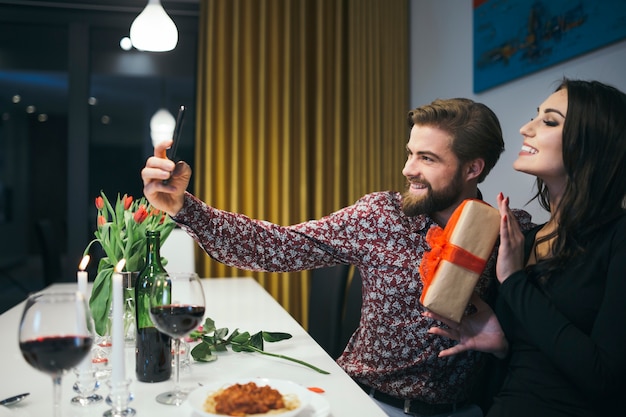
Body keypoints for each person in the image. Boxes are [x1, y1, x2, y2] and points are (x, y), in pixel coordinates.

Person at [141, 98, 533, 417]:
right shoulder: (382, 214)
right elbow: (279, 246)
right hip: (365, 400)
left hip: (462, 410)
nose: (407, 169)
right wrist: (184, 208)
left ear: (473, 168)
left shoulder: (512, 234)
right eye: (410, 153)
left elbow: (533, 342)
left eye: (427, 159)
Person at [424, 79, 626, 417]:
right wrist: (501, 344)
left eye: (549, 121)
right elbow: (529, 360)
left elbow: (603, 376)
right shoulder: (525, 240)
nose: (524, 129)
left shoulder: (617, 237)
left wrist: (515, 281)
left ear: (593, 142)